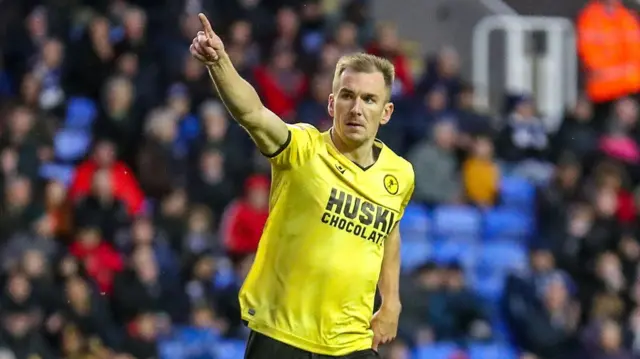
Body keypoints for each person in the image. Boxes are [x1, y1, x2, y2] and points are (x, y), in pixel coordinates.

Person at [190, 14, 415, 359]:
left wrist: (392, 302)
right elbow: (252, 113)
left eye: (369, 100)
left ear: (386, 112)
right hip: (281, 335)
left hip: (350, 342)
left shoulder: (400, 175)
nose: (356, 108)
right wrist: (220, 63)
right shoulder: (301, 149)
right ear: (331, 103)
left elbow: (389, 232)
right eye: (347, 96)